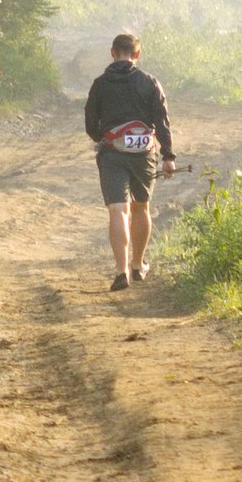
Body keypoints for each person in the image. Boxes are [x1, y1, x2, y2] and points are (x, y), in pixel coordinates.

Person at [84, 32, 176, 292]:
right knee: (141, 208)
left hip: (113, 153)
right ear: (137, 54)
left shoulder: (100, 84)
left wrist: (104, 139)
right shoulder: (150, 82)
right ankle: (137, 265)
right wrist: (168, 156)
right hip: (144, 154)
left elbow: (91, 124)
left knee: (117, 210)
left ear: (113, 52)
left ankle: (120, 269)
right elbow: (162, 122)